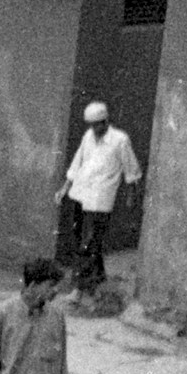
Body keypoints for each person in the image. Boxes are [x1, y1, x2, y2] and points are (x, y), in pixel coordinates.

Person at [57, 101, 141, 296]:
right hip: (80, 192)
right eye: (91, 125)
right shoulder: (88, 137)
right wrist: (64, 188)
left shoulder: (120, 140)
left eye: (98, 125)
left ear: (105, 122)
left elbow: (131, 170)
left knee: (90, 241)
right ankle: (98, 276)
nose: (95, 129)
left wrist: (131, 196)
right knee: (81, 239)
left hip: (100, 198)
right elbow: (77, 162)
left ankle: (80, 288)